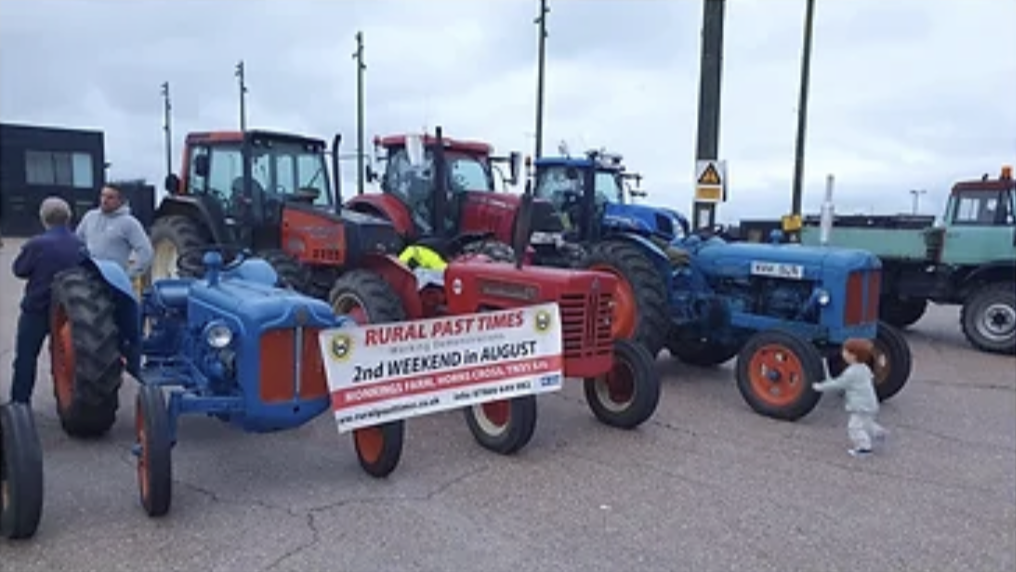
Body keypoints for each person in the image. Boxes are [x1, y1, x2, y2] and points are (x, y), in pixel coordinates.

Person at [9, 197, 86, 404]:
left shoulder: (37, 244)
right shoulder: (80, 244)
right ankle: (71, 399)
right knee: (70, 358)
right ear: (69, 217)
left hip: (37, 308)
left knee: (26, 357)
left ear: (43, 218)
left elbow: (19, 270)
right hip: (70, 312)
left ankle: (20, 403)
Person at [813, 338, 889, 457]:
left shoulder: (852, 372)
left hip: (860, 406)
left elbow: (838, 383)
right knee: (867, 423)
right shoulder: (865, 368)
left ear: (853, 356)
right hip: (870, 403)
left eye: (845, 352)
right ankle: (879, 433)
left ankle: (864, 448)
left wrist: (820, 386)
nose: (843, 354)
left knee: (854, 427)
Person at [75, 184, 153, 279]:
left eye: (110, 197)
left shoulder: (129, 223)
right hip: (89, 278)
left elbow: (146, 253)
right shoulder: (89, 217)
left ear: (121, 201)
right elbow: (76, 243)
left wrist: (127, 275)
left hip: (114, 281)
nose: (104, 200)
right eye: (102, 195)